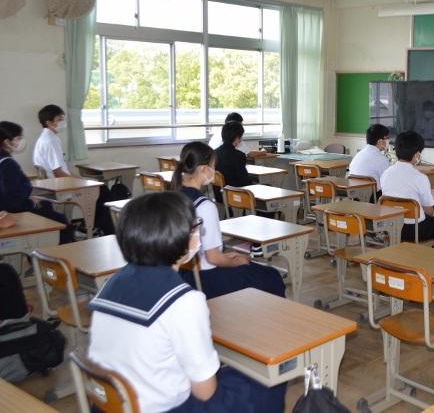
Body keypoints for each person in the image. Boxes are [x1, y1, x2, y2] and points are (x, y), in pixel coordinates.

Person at [88, 192, 286, 412]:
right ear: (177, 238)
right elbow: (205, 392)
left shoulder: (111, 283)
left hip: (109, 405)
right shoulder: (185, 301)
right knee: (267, 380)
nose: (198, 231)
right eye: (195, 225)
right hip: (163, 409)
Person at [171, 142, 285, 299]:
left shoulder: (171, 196)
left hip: (180, 275)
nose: (214, 170)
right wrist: (238, 262)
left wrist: (226, 257)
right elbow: (213, 258)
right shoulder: (205, 206)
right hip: (205, 279)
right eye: (213, 166)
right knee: (271, 276)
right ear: (204, 169)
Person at [0, 121, 74, 243]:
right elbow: (13, 200)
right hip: (11, 212)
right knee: (60, 221)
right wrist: (32, 203)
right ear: (7, 142)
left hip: (6, 207)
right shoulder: (8, 164)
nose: (21, 142)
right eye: (18, 138)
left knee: (46, 204)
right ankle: (63, 247)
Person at [380, 131, 434, 249]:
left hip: (391, 227)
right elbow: (429, 212)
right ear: (417, 154)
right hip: (416, 230)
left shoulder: (385, 174)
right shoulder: (421, 178)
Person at [348, 124, 390, 193]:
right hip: (374, 196)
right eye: (386, 138)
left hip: (354, 194)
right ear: (379, 141)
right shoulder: (382, 159)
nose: (388, 141)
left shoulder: (358, 155)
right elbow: (387, 182)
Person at [32, 104, 70, 178]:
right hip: (58, 182)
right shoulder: (51, 141)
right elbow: (58, 173)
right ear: (48, 122)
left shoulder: (46, 137)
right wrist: (80, 181)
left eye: (63, 119)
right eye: (59, 120)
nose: (63, 122)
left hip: (58, 180)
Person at [213, 122, 250, 188]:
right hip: (235, 192)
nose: (241, 139)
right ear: (237, 138)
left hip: (218, 192)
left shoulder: (213, 153)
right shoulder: (239, 156)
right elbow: (244, 181)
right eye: (241, 137)